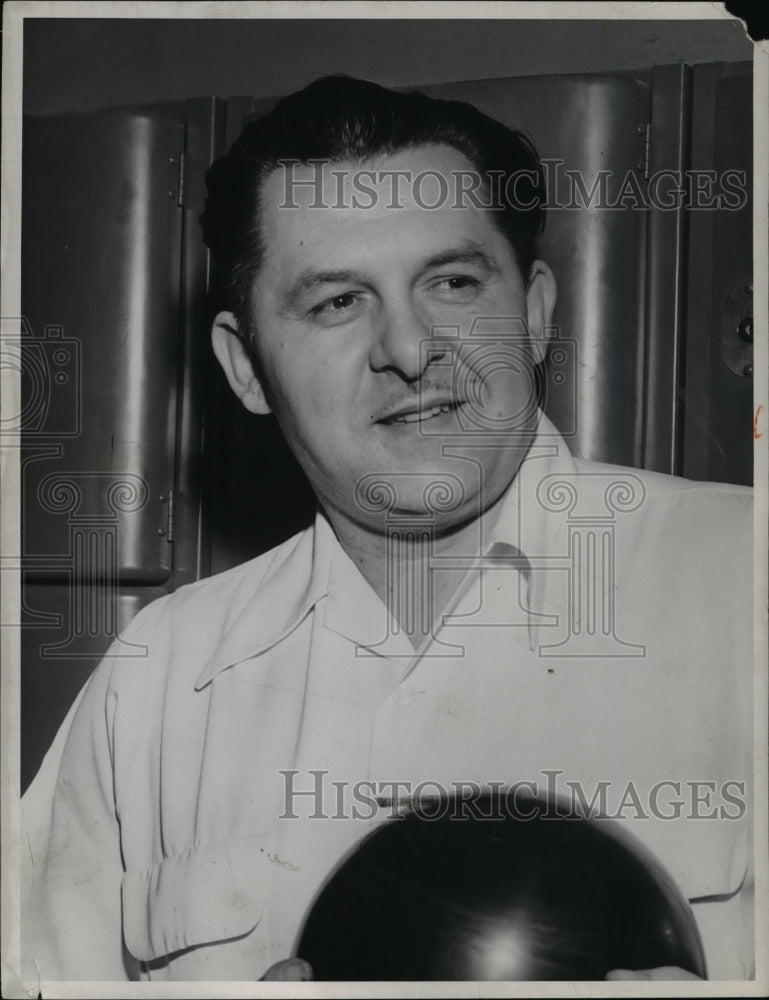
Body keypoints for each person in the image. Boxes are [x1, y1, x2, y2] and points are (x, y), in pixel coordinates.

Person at [21, 75, 753, 984]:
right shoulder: (158, 680)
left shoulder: (742, 582)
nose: (408, 350)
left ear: (531, 314)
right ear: (246, 368)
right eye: (337, 302)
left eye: (450, 282)